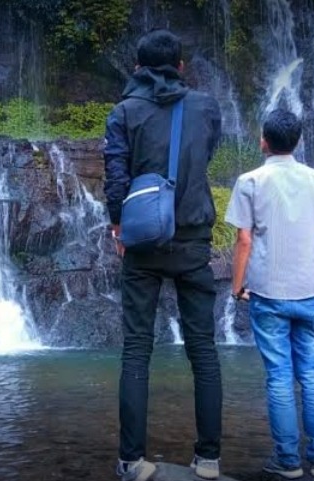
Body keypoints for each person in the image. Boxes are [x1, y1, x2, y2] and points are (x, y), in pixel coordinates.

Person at [104, 29, 223, 481]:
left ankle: (132, 460)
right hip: (193, 238)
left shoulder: (124, 112)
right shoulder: (206, 107)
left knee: (137, 350)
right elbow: (205, 155)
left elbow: (116, 177)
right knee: (203, 351)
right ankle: (208, 460)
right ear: (181, 67)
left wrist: (119, 225)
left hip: (144, 241)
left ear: (137, 68)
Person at [225, 108, 314, 479]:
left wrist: (236, 286)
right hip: (309, 293)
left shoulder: (250, 181)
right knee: (311, 375)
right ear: (298, 141)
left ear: (263, 141)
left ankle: (288, 461)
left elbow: (244, 239)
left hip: (267, 294)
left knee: (279, 376)